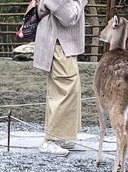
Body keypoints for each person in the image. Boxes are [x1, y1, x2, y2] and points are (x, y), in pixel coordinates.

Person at [33, 0, 87, 156]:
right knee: (64, 91)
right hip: (57, 43)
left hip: (61, 43)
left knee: (69, 90)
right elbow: (70, 16)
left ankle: (61, 135)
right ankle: (49, 140)